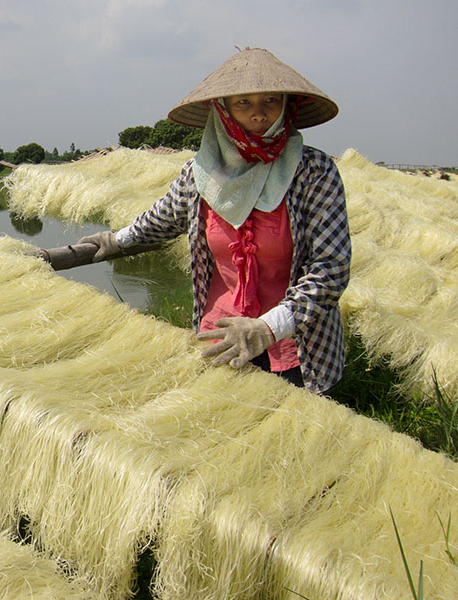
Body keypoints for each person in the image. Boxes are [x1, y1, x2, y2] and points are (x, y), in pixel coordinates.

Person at [80, 47, 350, 394]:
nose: (258, 114)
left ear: (287, 107)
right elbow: (164, 217)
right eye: (243, 103)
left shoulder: (314, 172)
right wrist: (117, 240)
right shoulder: (201, 174)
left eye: (270, 100)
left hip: (294, 347)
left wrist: (266, 329)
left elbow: (331, 268)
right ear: (222, 111)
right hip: (218, 337)